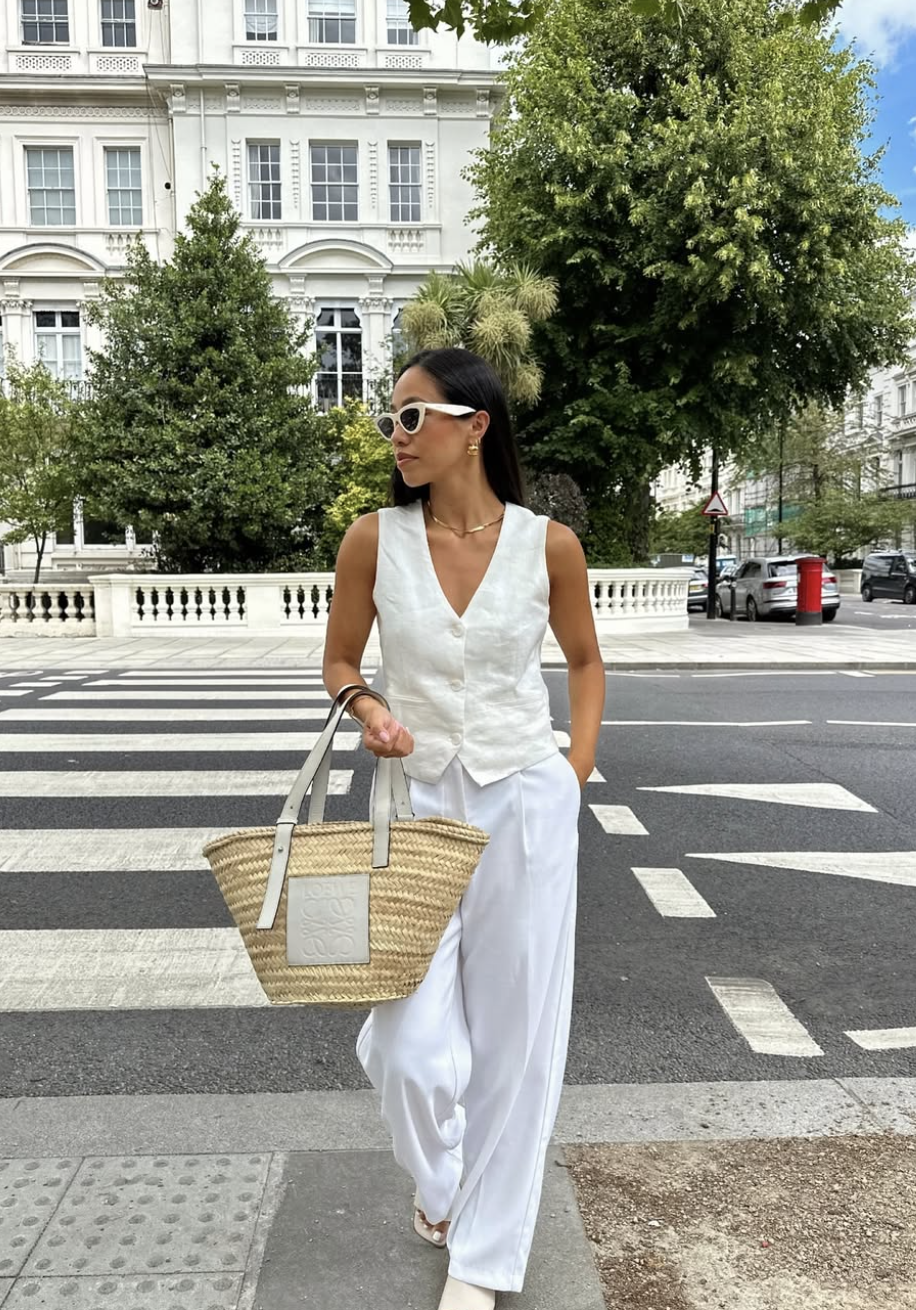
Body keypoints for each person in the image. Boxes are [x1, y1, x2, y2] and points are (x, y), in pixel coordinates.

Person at [323, 347, 605, 1310]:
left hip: (524, 799)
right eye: (390, 421)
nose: (397, 437)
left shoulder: (548, 546)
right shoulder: (372, 540)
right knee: (403, 1045)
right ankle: (442, 1185)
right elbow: (336, 663)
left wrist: (572, 771)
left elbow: (584, 662)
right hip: (413, 799)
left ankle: (482, 1262)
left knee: (518, 1039)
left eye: (413, 418)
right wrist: (368, 709)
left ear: (473, 426)